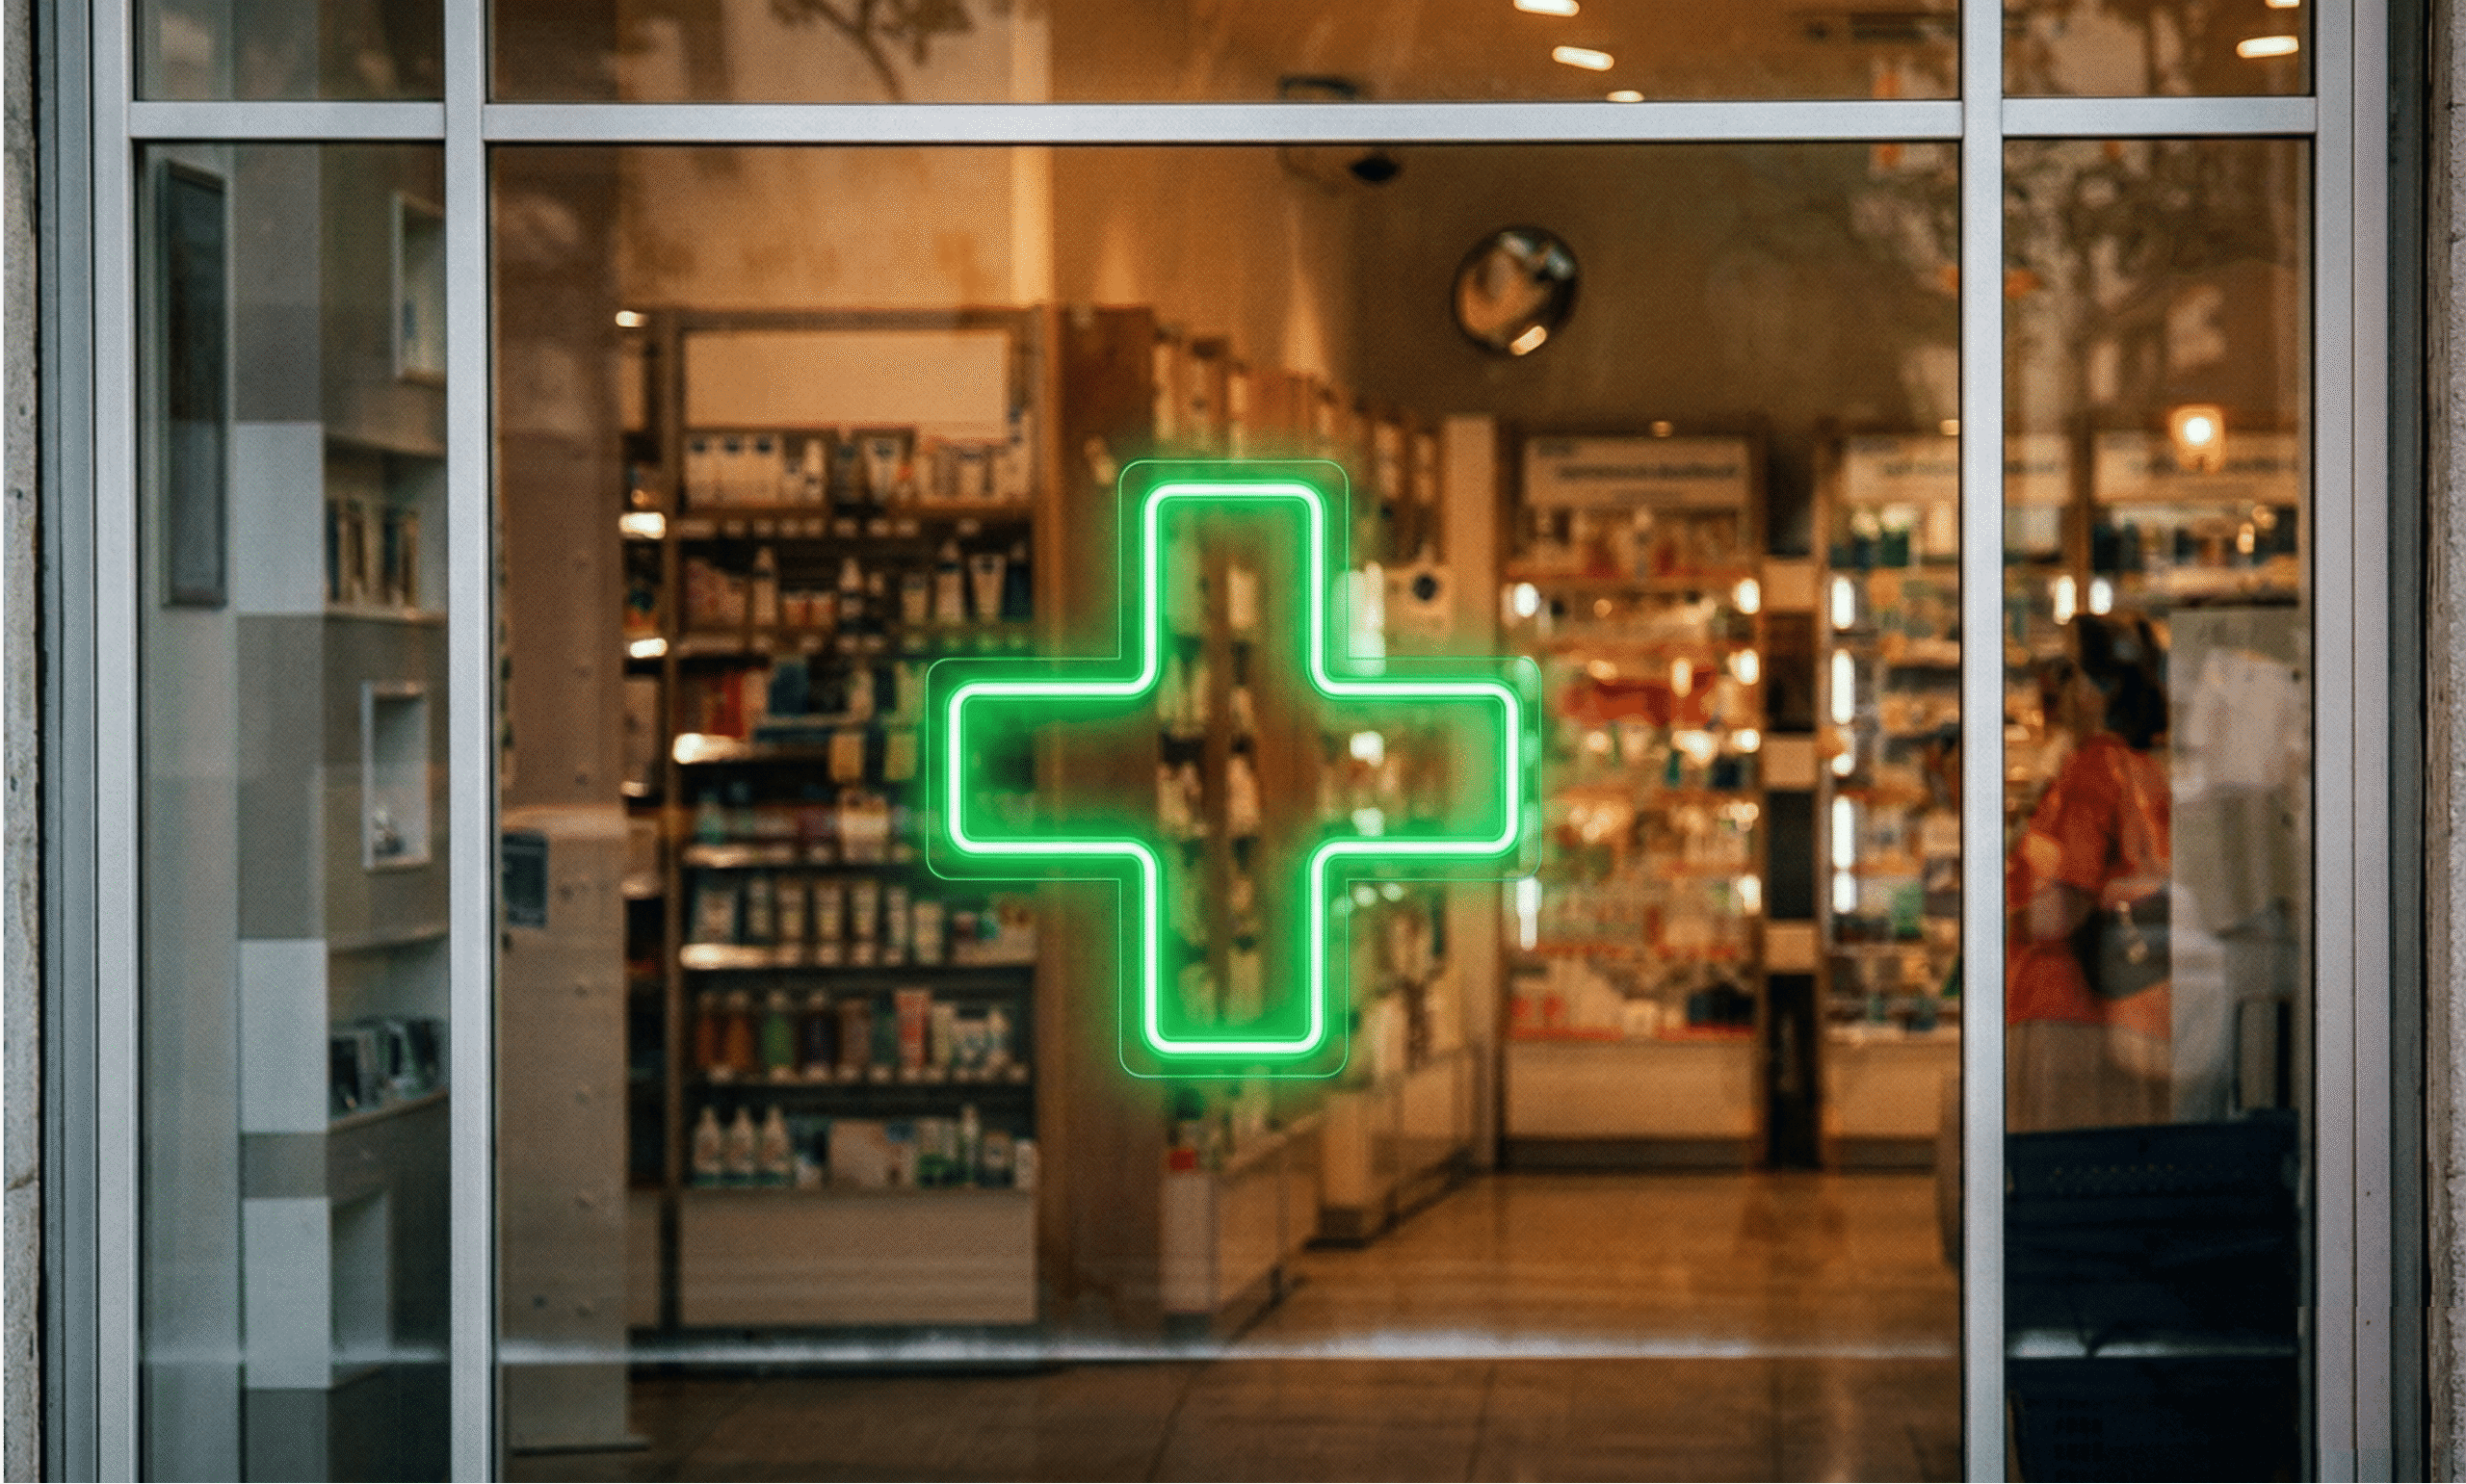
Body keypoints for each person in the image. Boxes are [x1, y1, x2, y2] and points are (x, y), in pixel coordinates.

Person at [2006, 612, 2172, 1133]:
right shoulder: (2144, 770)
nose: (2060, 688)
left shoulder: (2091, 768)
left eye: (2070, 672)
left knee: (2057, 1175)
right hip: (2132, 1014)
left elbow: (2063, 908)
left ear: (2100, 690)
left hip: (2065, 1012)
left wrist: (2005, 923)